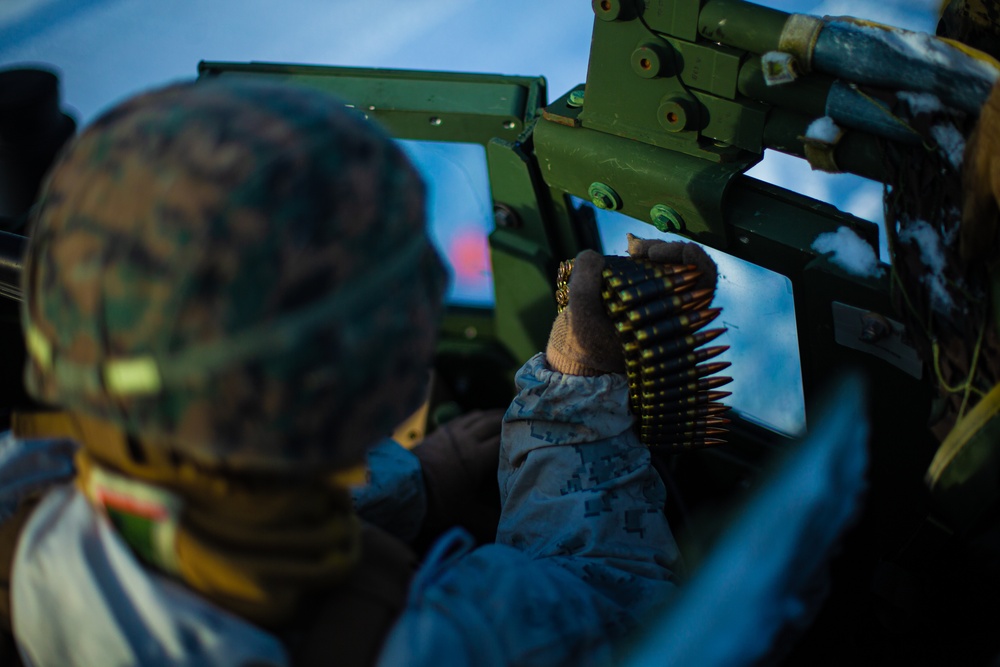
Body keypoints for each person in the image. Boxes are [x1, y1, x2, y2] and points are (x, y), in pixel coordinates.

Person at [0, 76, 695, 666]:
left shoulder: (28, 501)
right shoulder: (424, 644)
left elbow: (223, 479)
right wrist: (575, 392)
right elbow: (612, 594)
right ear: (364, 393)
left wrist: (419, 477)